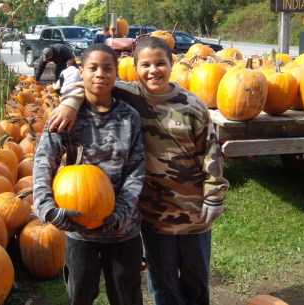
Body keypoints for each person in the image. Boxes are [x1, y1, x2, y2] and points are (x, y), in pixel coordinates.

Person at [47, 36, 230, 305]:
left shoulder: (192, 104)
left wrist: (214, 192)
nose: (153, 70)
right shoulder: (129, 95)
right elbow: (90, 83)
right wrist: (70, 102)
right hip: (153, 211)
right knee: (162, 278)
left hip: (193, 211)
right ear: (135, 68)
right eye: (145, 64)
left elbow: (210, 151)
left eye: (160, 63)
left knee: (196, 278)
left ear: (172, 64)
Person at [33, 43, 146, 305]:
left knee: (127, 295)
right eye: (93, 68)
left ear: (116, 74)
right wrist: (46, 207)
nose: (100, 74)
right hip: (78, 228)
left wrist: (120, 213)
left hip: (122, 229)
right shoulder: (65, 116)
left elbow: (135, 170)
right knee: (79, 295)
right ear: (81, 72)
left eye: (108, 69)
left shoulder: (129, 117)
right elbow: (43, 161)